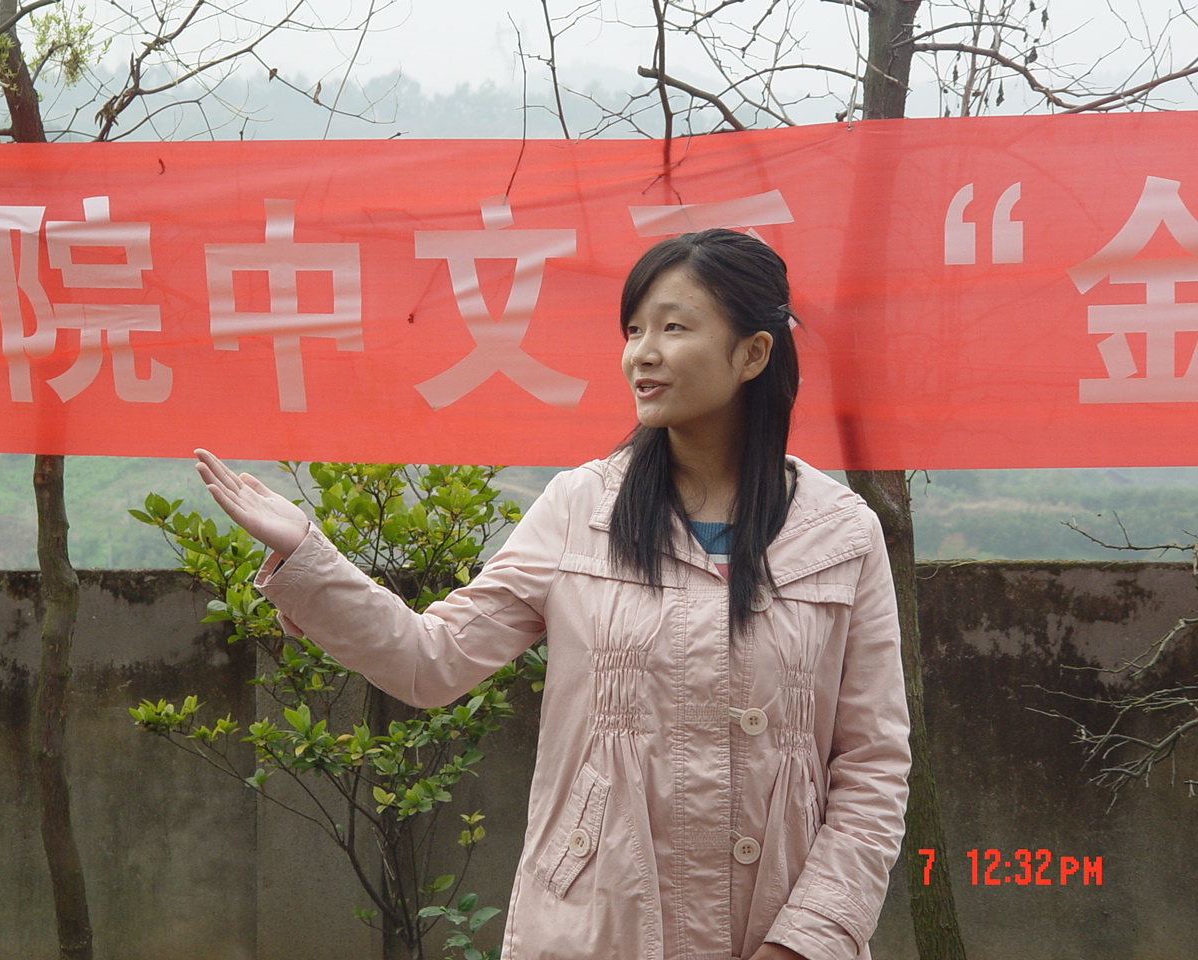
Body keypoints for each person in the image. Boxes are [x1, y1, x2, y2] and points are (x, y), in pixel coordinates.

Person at [195, 227, 912, 960]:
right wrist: (308, 558)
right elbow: (431, 660)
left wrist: (807, 941)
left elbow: (873, 767)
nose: (642, 353)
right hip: (594, 931)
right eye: (633, 330)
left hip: (775, 932)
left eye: (674, 327)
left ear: (752, 353)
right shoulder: (580, 509)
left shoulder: (839, 534)